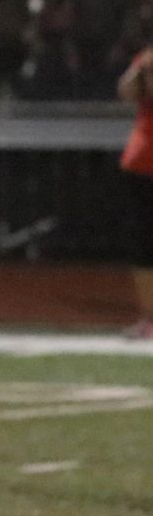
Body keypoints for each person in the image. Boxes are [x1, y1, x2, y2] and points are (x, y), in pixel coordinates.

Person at [117, 40, 153, 338]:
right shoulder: (146, 60)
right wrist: (142, 68)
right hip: (142, 166)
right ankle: (150, 317)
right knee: (143, 247)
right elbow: (126, 92)